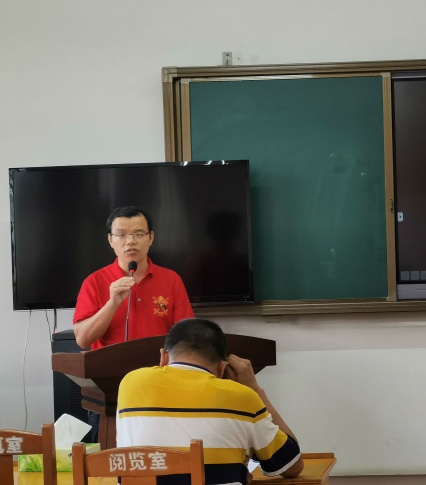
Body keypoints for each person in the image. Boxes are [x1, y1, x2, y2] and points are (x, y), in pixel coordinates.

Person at [117, 318, 303, 485]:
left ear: (163, 357)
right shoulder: (242, 397)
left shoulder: (130, 383)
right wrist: (255, 390)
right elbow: (292, 466)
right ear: (223, 368)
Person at [73, 206, 195, 350]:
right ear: (110, 240)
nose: (130, 241)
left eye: (139, 234)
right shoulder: (94, 281)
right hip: (111, 364)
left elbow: (187, 336)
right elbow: (83, 340)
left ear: (151, 238)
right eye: (121, 235)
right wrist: (112, 304)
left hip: (159, 364)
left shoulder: (171, 280)